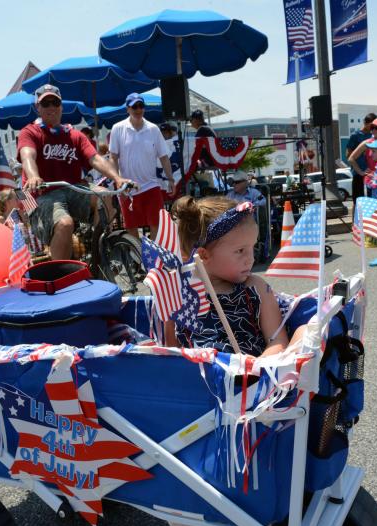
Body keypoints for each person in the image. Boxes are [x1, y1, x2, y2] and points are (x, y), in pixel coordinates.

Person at [168, 196, 305, 356]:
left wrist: (253, 369)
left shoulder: (256, 287)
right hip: (202, 376)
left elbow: (277, 341)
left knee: (305, 331)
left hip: (255, 373)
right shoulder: (178, 294)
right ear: (203, 255)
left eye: (252, 248)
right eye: (240, 251)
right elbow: (171, 352)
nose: (251, 259)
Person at [18, 84, 131, 260]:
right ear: (37, 107)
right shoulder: (29, 132)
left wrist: (117, 178)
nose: (51, 107)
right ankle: (60, 273)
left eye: (55, 102)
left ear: (61, 106)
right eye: (45, 103)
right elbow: (27, 155)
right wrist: (33, 176)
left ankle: (97, 253)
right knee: (65, 224)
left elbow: (95, 159)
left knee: (106, 195)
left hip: (73, 188)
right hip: (43, 193)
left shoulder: (74, 135)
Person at [110, 92, 174, 239]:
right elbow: (113, 158)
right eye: (134, 107)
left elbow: (164, 157)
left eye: (141, 106)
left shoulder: (153, 129)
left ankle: (154, 259)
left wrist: (171, 179)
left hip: (151, 185)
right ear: (128, 109)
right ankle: (138, 259)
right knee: (131, 227)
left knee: (157, 224)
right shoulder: (117, 128)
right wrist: (117, 181)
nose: (138, 110)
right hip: (127, 188)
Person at [346, 112, 377, 204]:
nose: (373, 128)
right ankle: (355, 218)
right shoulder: (355, 136)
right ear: (365, 123)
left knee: (372, 201)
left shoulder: (373, 135)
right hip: (358, 173)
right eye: (372, 125)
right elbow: (348, 155)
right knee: (358, 201)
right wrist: (361, 152)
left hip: (371, 173)